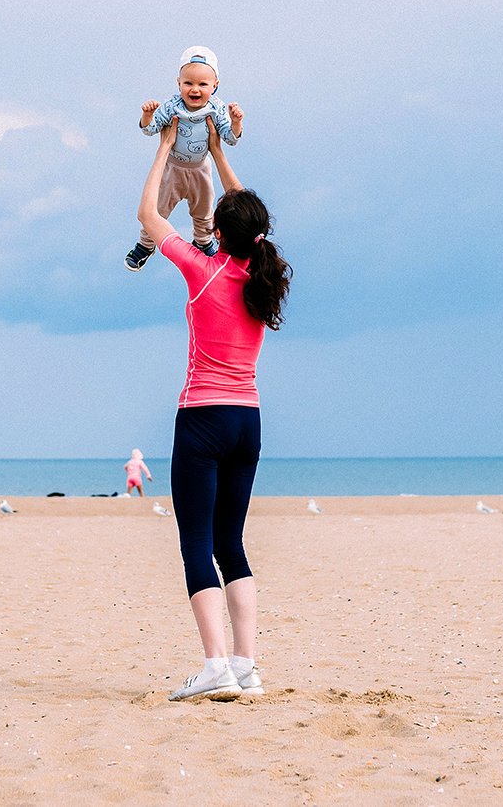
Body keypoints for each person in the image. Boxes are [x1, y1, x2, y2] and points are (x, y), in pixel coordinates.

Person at [136, 119, 290, 702]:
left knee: (196, 543)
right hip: (247, 421)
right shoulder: (264, 275)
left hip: (202, 419)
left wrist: (164, 152)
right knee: (232, 542)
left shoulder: (204, 270)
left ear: (217, 232)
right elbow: (248, 215)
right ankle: (247, 665)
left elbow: (150, 214)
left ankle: (216, 667)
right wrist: (221, 156)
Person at [126, 46, 244, 269]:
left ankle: (202, 242)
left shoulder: (217, 109)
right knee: (158, 209)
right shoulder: (172, 107)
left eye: (203, 84)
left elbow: (230, 139)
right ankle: (145, 244)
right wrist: (147, 115)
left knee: (205, 210)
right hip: (172, 168)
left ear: (215, 86)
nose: (195, 89)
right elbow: (150, 130)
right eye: (188, 83)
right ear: (178, 83)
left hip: (201, 169)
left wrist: (235, 123)